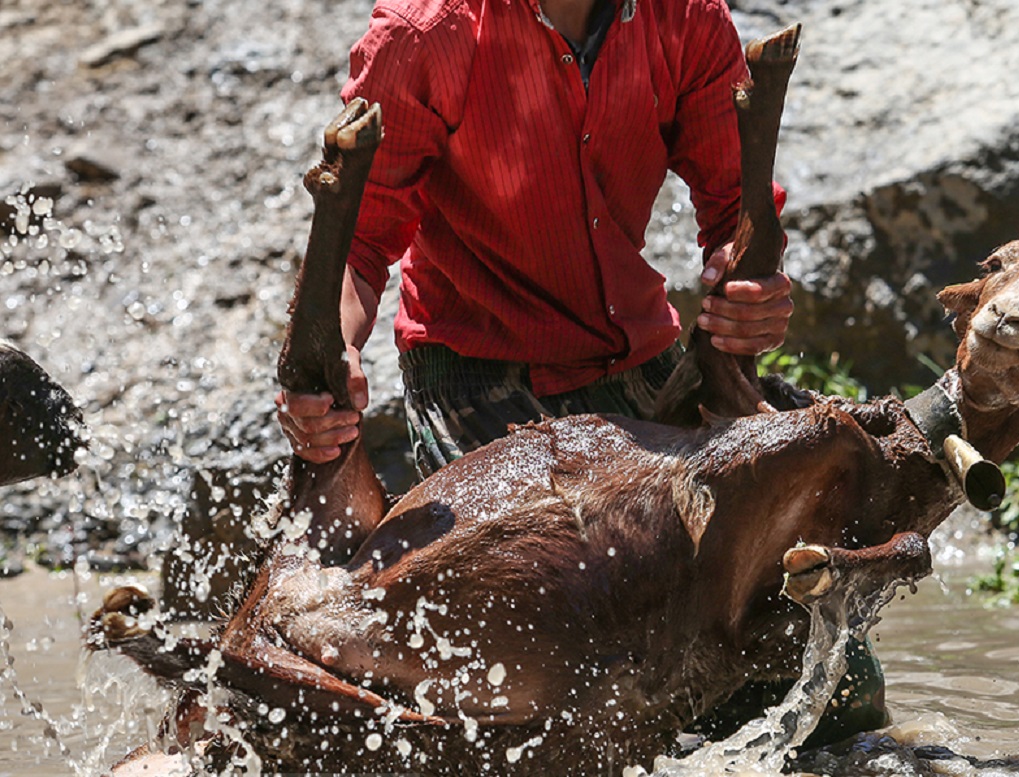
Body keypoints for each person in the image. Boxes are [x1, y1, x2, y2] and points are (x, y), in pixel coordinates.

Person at [276, 0, 885, 742]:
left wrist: (749, 288)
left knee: (839, 687)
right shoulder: (424, 34)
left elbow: (734, 211)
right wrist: (333, 350)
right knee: (580, 685)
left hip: (642, 364)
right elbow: (359, 248)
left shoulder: (685, 17)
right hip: (477, 377)